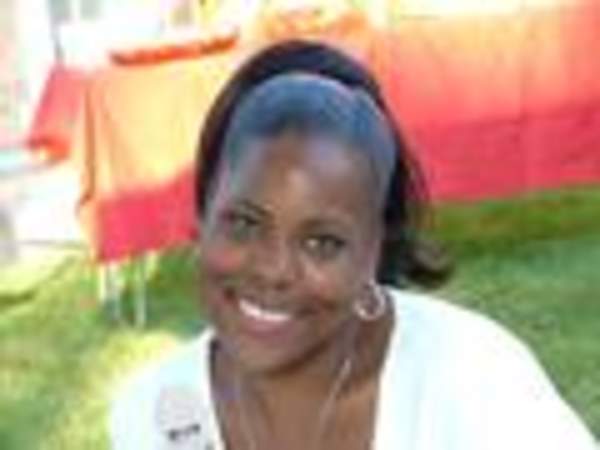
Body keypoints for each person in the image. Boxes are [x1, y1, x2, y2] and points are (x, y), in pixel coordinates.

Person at [109, 40, 597, 450]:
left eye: (322, 242)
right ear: (203, 215)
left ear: (373, 249)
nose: (275, 269)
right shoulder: (151, 413)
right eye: (243, 222)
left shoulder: (470, 379)